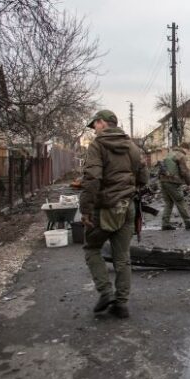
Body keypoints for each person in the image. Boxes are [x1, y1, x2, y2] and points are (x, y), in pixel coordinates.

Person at [79, 110, 148, 318]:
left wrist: (86, 209)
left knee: (91, 248)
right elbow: (144, 176)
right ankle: (122, 304)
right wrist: (131, 188)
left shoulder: (97, 146)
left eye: (95, 125)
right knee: (123, 256)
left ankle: (106, 292)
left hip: (105, 208)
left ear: (102, 123)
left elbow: (92, 178)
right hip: (127, 207)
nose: (94, 130)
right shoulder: (132, 146)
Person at [159, 144, 190, 230]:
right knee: (180, 201)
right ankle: (188, 222)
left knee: (169, 202)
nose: (188, 153)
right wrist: (189, 183)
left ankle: (165, 223)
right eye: (188, 150)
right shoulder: (181, 155)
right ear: (185, 148)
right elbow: (184, 171)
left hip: (163, 181)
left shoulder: (170, 153)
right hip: (173, 181)